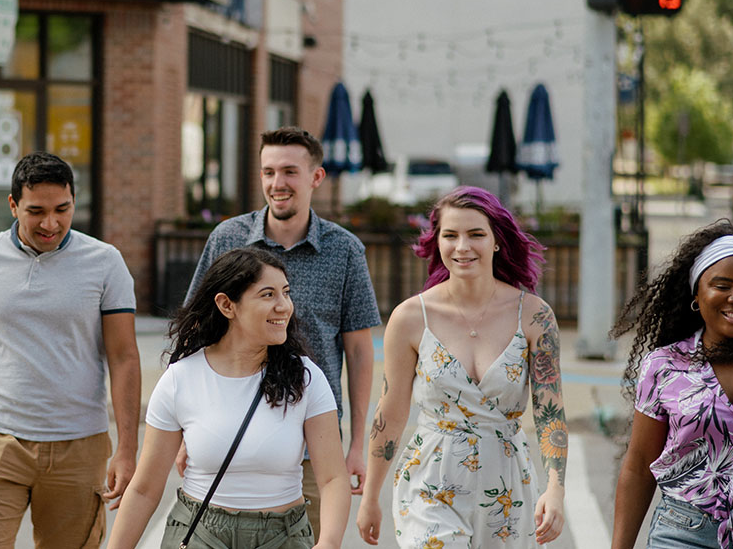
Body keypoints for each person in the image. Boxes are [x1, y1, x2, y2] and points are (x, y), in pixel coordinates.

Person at [0, 151, 141, 548]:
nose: (50, 223)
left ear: (74, 200)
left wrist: (127, 449)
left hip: (79, 445)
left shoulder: (105, 263)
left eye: (63, 209)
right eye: (36, 211)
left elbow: (123, 357)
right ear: (13, 205)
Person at [181, 126, 381, 535]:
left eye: (290, 171)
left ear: (316, 177)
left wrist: (358, 444)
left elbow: (360, 352)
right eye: (268, 172)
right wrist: (186, 430)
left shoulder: (345, 250)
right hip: (226, 433)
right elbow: (196, 331)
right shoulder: (228, 239)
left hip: (311, 444)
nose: (277, 183)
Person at [357, 186, 568, 548]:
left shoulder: (534, 316)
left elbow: (551, 414)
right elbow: (390, 413)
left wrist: (556, 488)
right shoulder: (410, 317)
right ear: (437, 242)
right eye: (450, 235)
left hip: (506, 483)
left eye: (475, 234)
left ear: (497, 241)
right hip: (431, 480)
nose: (462, 247)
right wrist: (370, 496)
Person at [108, 248, 350, 549]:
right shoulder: (180, 379)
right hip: (201, 533)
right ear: (226, 305)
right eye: (268, 295)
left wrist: (328, 542)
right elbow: (144, 490)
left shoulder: (305, 378)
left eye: (286, 293)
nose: (284, 306)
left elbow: (333, 479)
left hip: (283, 536)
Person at [610, 220, 733, 548]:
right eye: (722, 285)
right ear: (697, 293)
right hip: (683, 534)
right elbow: (637, 467)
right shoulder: (664, 366)